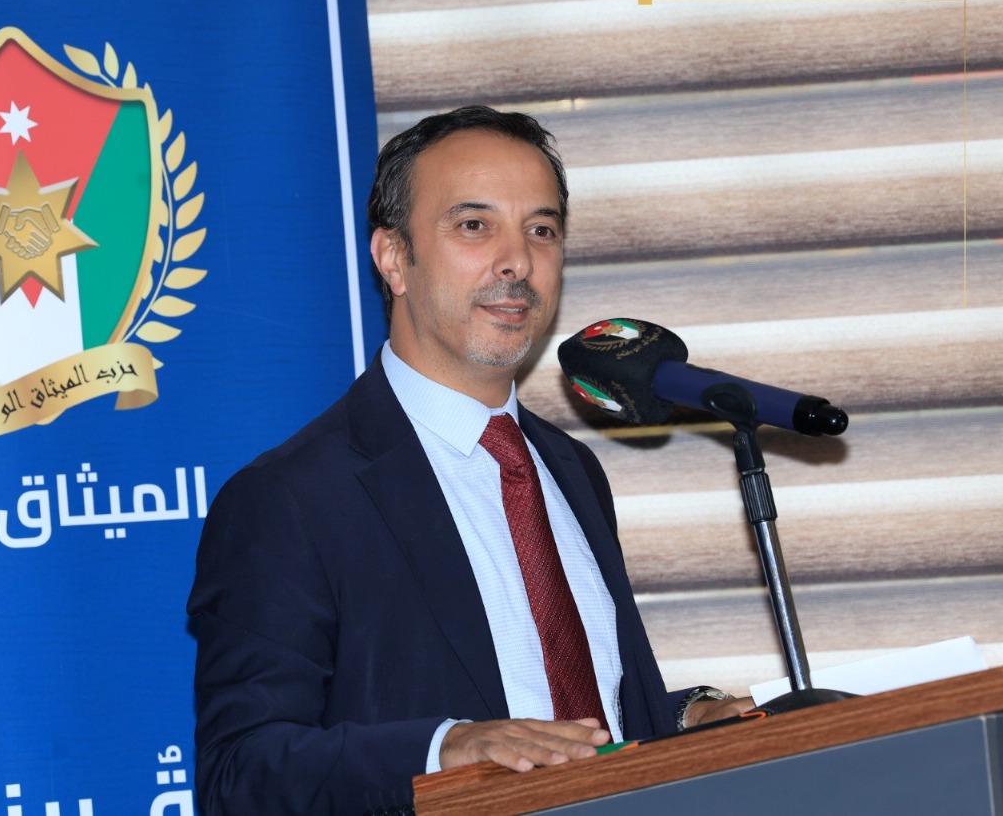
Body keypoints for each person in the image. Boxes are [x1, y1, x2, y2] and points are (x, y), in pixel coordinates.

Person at [188, 106, 754, 814]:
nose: (518, 261)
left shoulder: (572, 470)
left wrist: (685, 717)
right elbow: (241, 772)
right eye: (474, 226)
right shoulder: (291, 499)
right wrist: (444, 750)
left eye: (541, 230)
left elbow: (562, 718)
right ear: (393, 258)